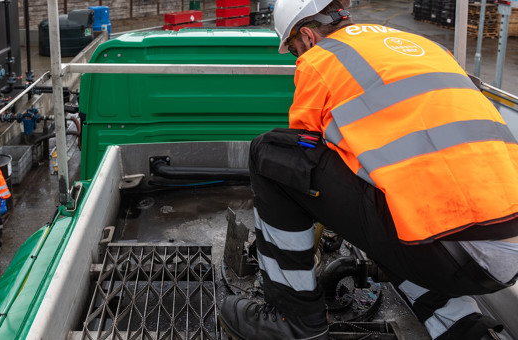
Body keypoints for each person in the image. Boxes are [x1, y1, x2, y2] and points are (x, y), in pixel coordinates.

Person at [218, 1, 518, 339]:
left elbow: (300, 163)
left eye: (293, 50)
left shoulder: (321, 59)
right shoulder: (424, 46)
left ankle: (292, 318)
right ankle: (464, 326)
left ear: (307, 35)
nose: (297, 58)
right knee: (398, 204)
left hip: (448, 252)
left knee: (270, 153)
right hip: (505, 256)